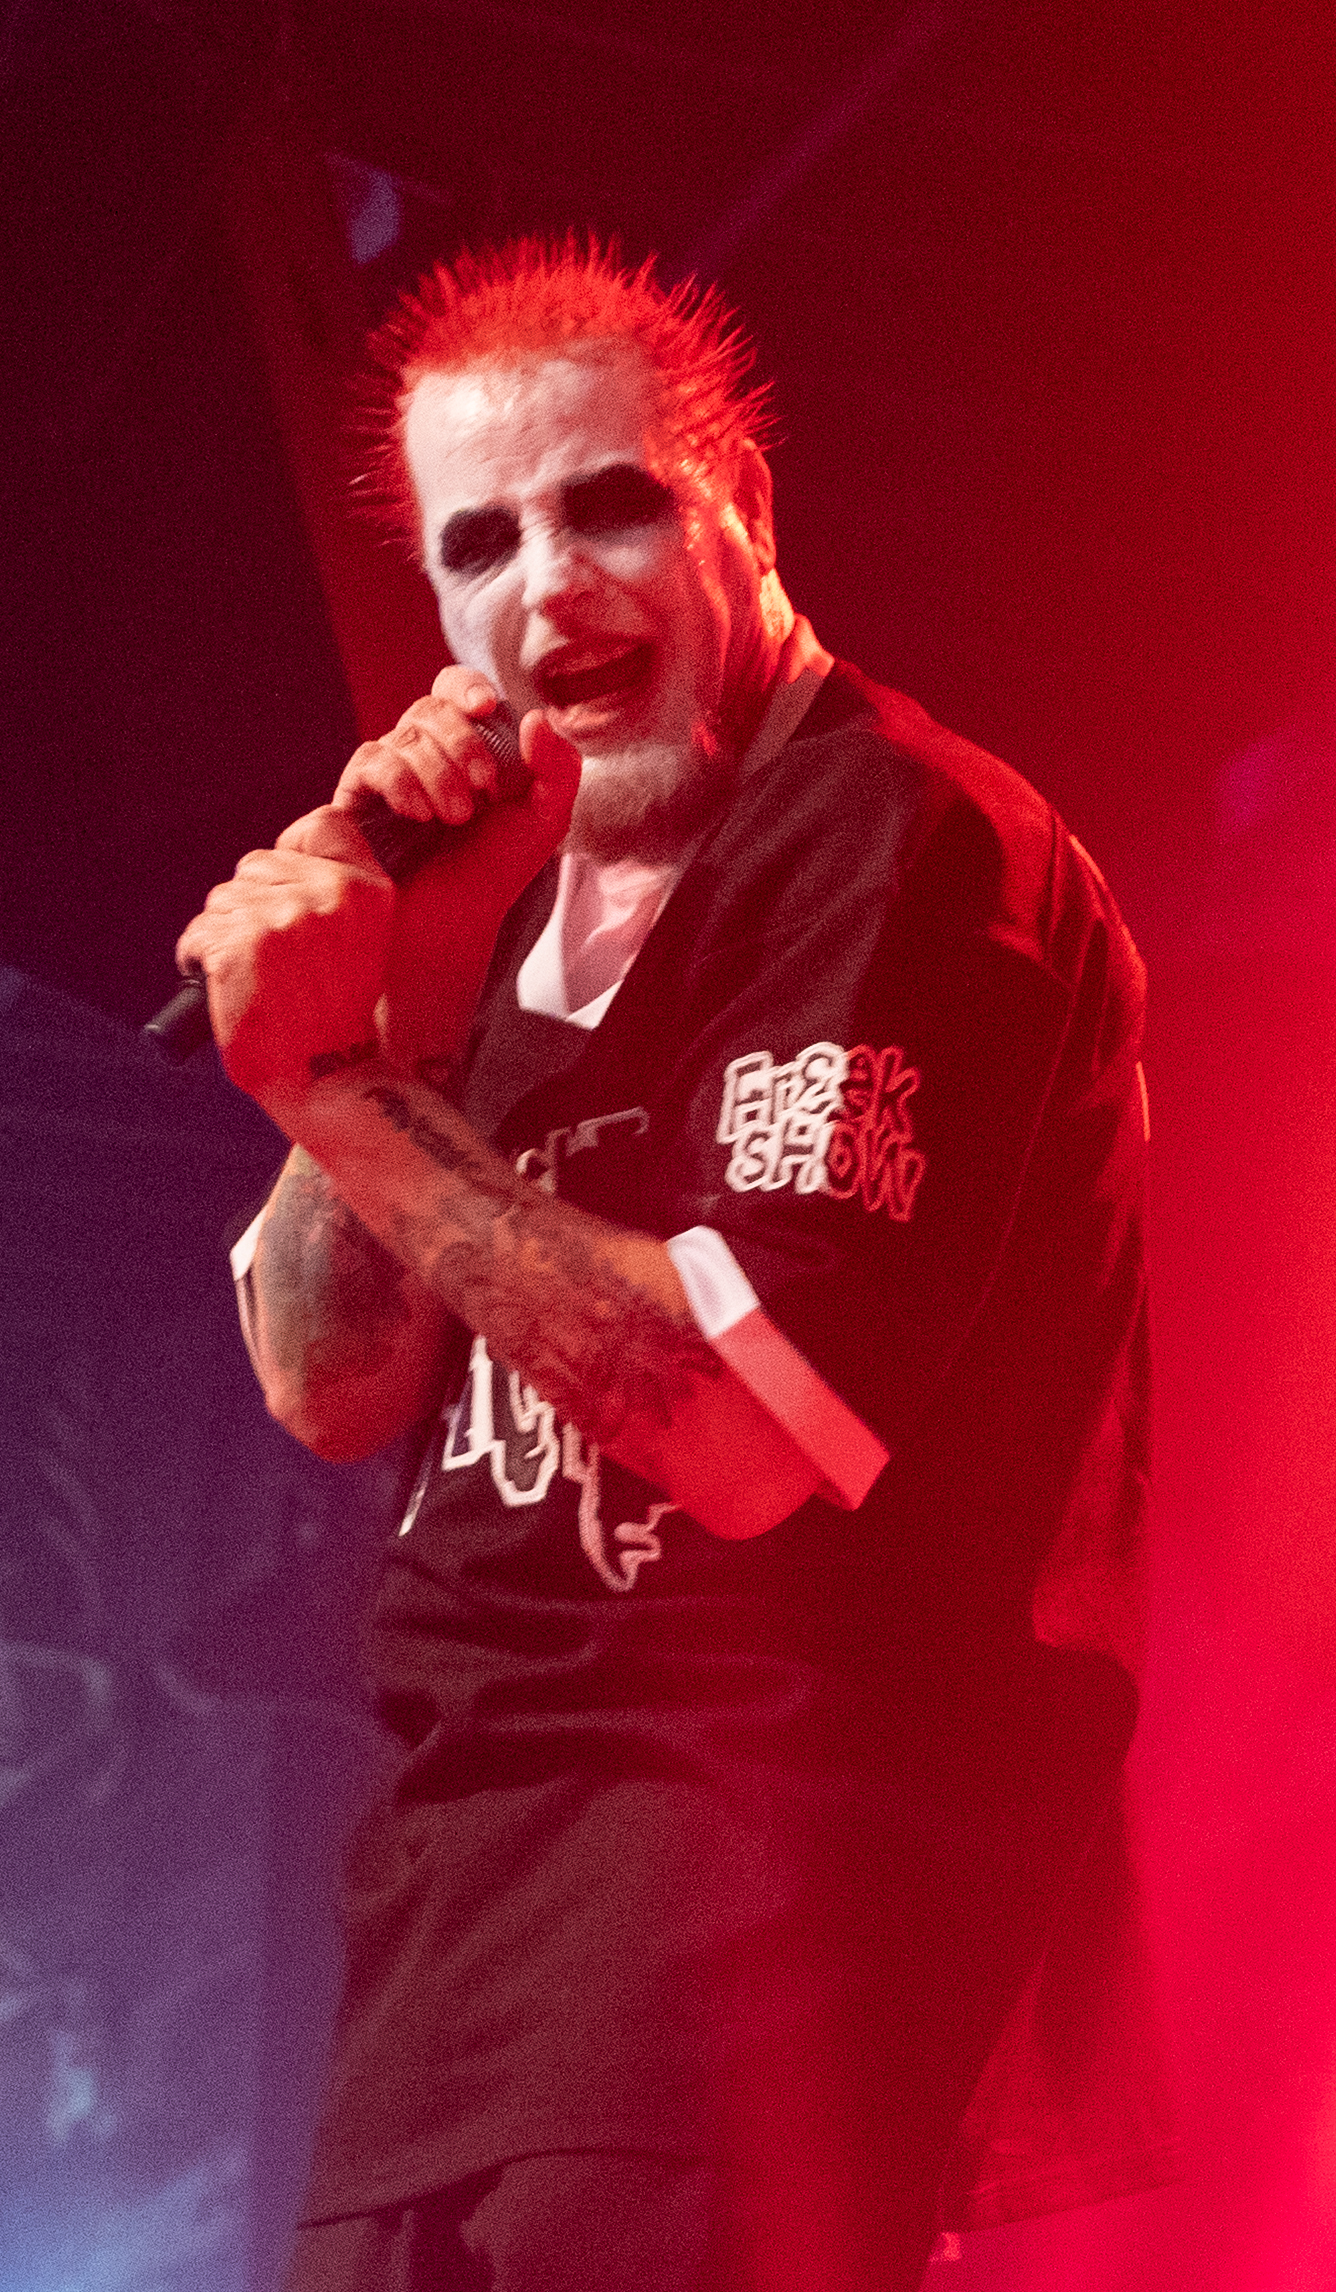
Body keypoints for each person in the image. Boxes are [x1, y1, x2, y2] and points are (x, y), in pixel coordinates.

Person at [179, 239, 1159, 2292]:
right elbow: (331, 1388)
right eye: (480, 545)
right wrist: (396, 989)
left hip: (746, 1956)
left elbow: (737, 1429)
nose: (549, 589)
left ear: (744, 511)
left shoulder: (896, 836)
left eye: (609, 506)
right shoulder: (502, 903)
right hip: (446, 1957)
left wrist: (340, 1087)